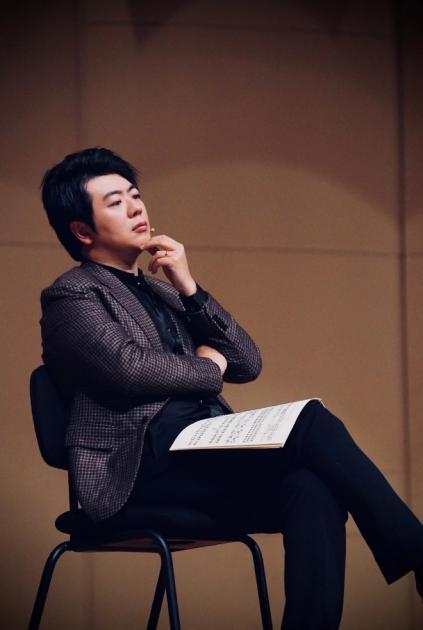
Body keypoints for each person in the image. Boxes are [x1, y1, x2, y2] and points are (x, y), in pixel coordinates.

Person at [39, 147, 423, 629]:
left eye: (135, 196)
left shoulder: (161, 289)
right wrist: (207, 367)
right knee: (311, 421)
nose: (136, 208)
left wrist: (188, 285)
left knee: (312, 488)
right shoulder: (73, 295)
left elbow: (246, 360)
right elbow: (128, 369)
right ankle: (417, 552)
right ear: (82, 230)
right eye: (116, 202)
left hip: (199, 454)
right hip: (138, 468)